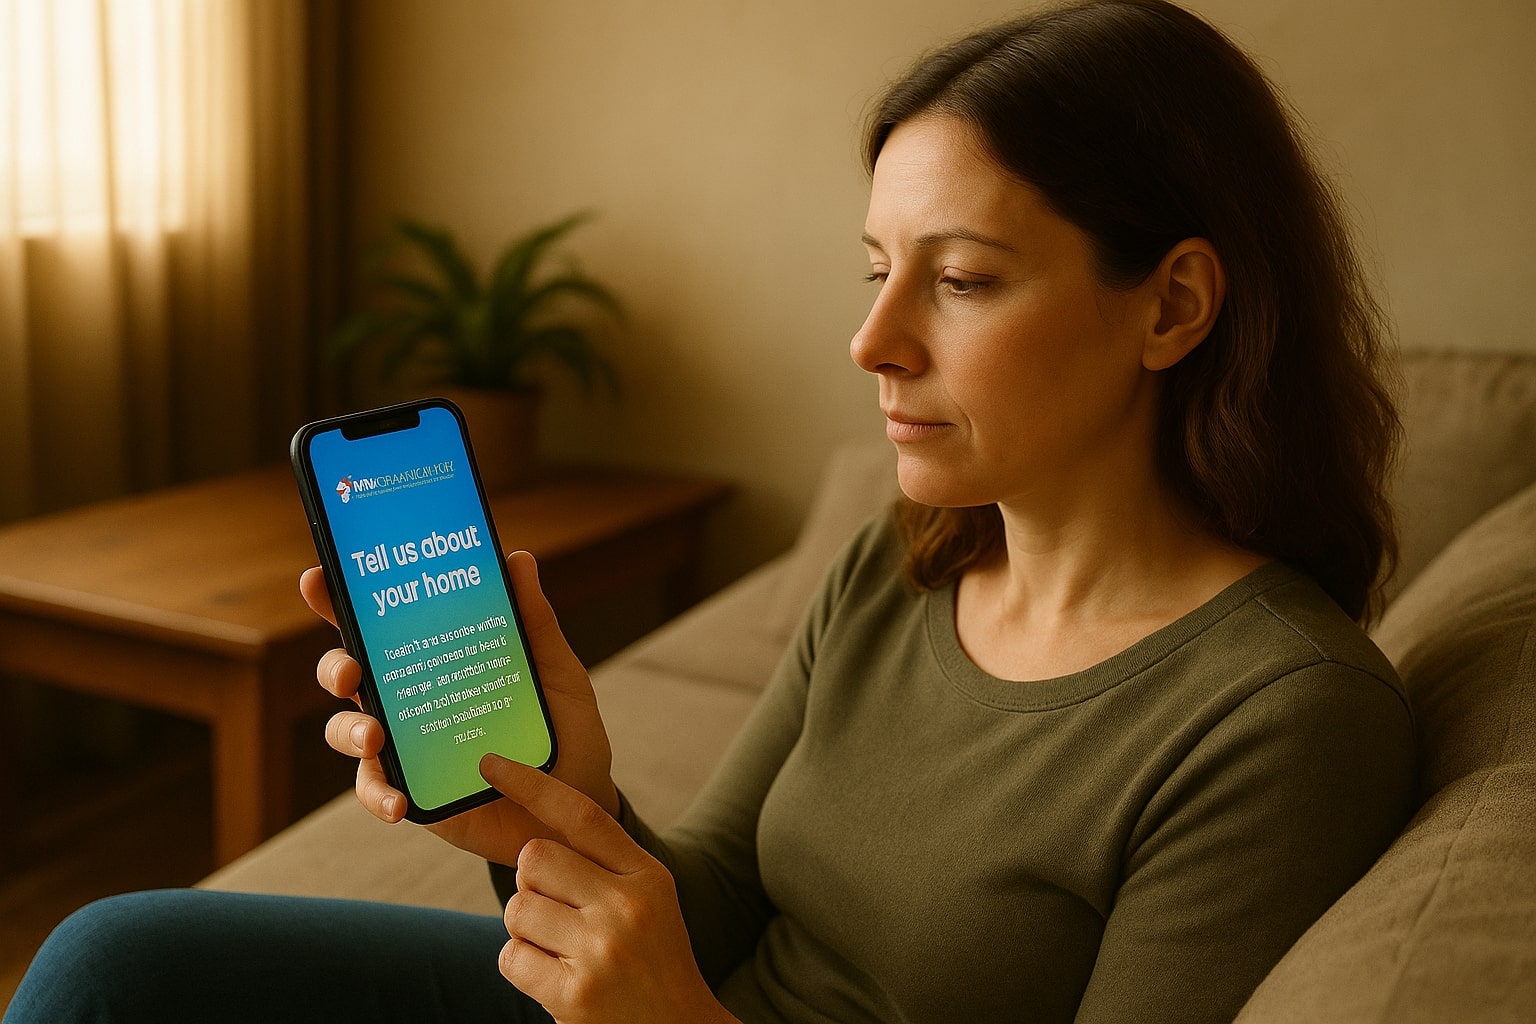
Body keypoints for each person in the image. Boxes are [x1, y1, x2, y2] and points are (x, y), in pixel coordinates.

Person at [6, 2, 1416, 1021]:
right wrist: (556, 808)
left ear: (1172, 304)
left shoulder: (1282, 715)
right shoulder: (902, 563)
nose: (874, 343)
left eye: (965, 279)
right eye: (874, 271)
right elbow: (723, 898)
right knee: (117, 961)